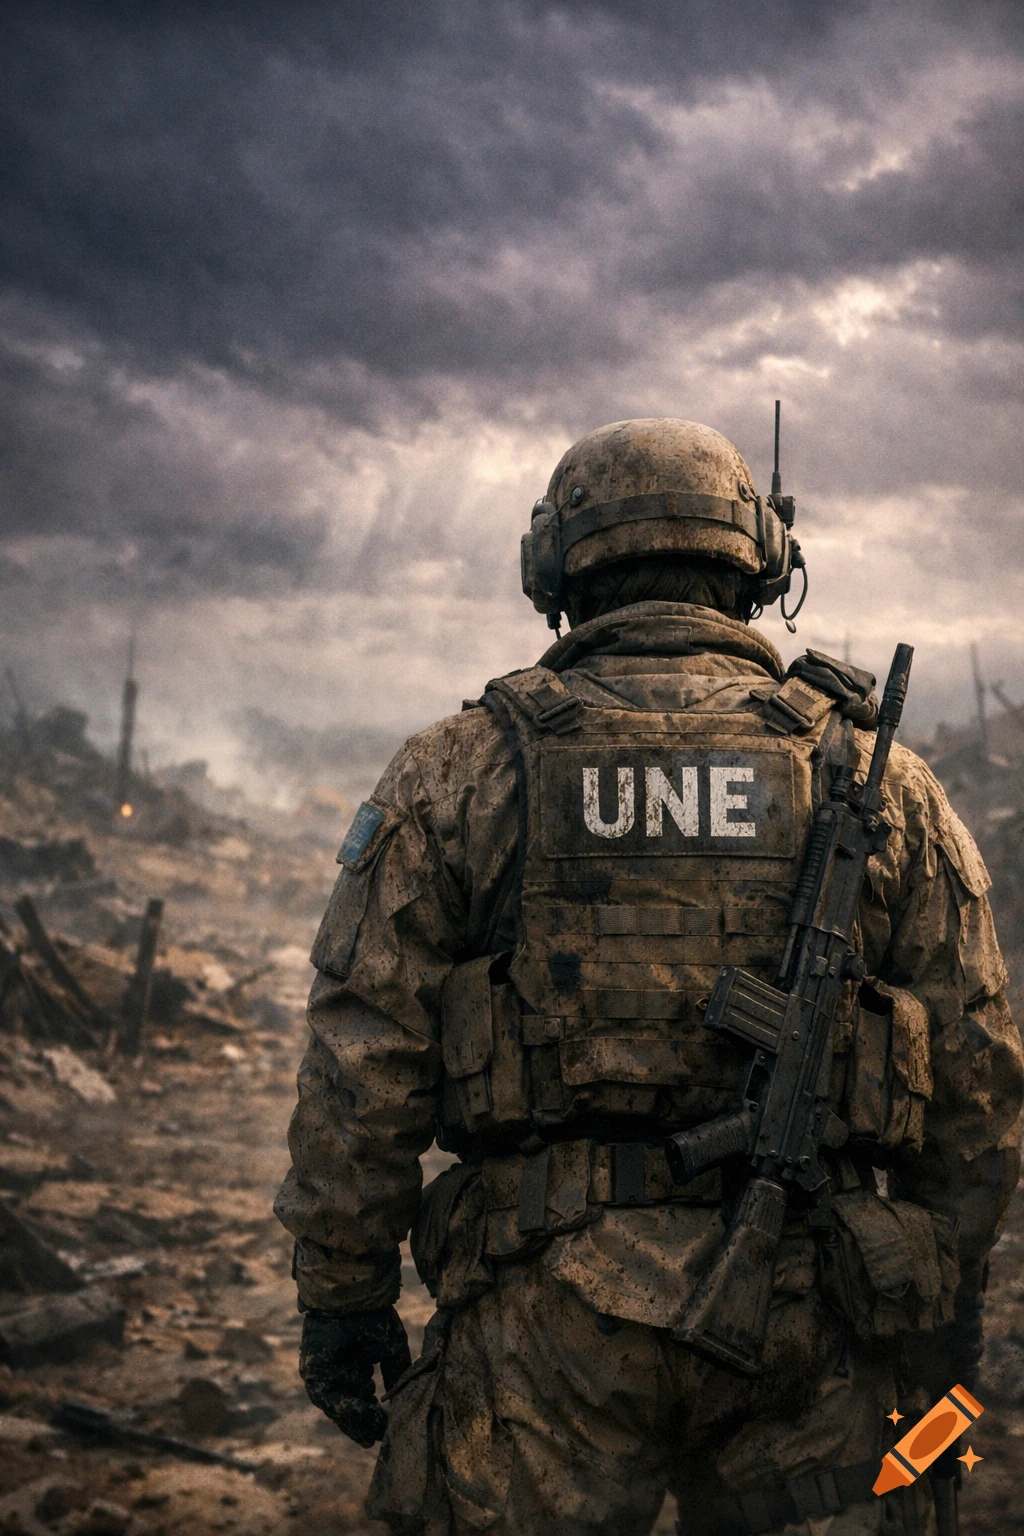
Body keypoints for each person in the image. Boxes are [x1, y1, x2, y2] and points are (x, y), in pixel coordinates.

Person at [275, 418, 1023, 1536]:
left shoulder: (459, 769)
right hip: (815, 1328)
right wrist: (942, 1298)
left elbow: (360, 1062)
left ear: (555, 573)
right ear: (761, 564)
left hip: (541, 1321)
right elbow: (978, 1080)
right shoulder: (878, 780)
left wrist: (344, 1301)